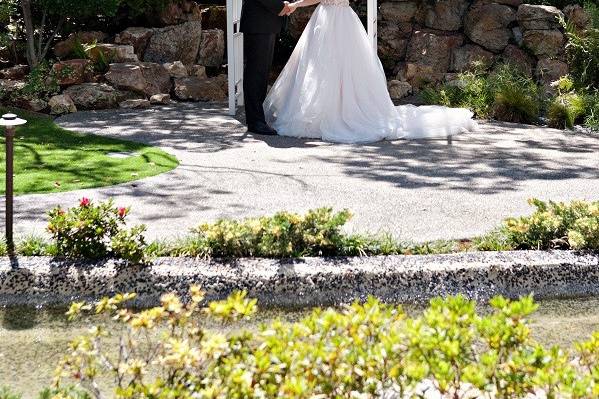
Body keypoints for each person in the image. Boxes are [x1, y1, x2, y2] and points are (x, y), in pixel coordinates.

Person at [263, 0, 478, 143]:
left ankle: (332, 111)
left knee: (334, 66)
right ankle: (331, 109)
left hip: (332, 19)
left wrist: (297, 4)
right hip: (338, 18)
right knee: (330, 67)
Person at [240, 0, 295, 135]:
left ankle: (258, 117)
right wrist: (280, 6)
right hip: (259, 21)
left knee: (261, 72)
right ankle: (255, 121)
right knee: (256, 72)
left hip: (265, 22)